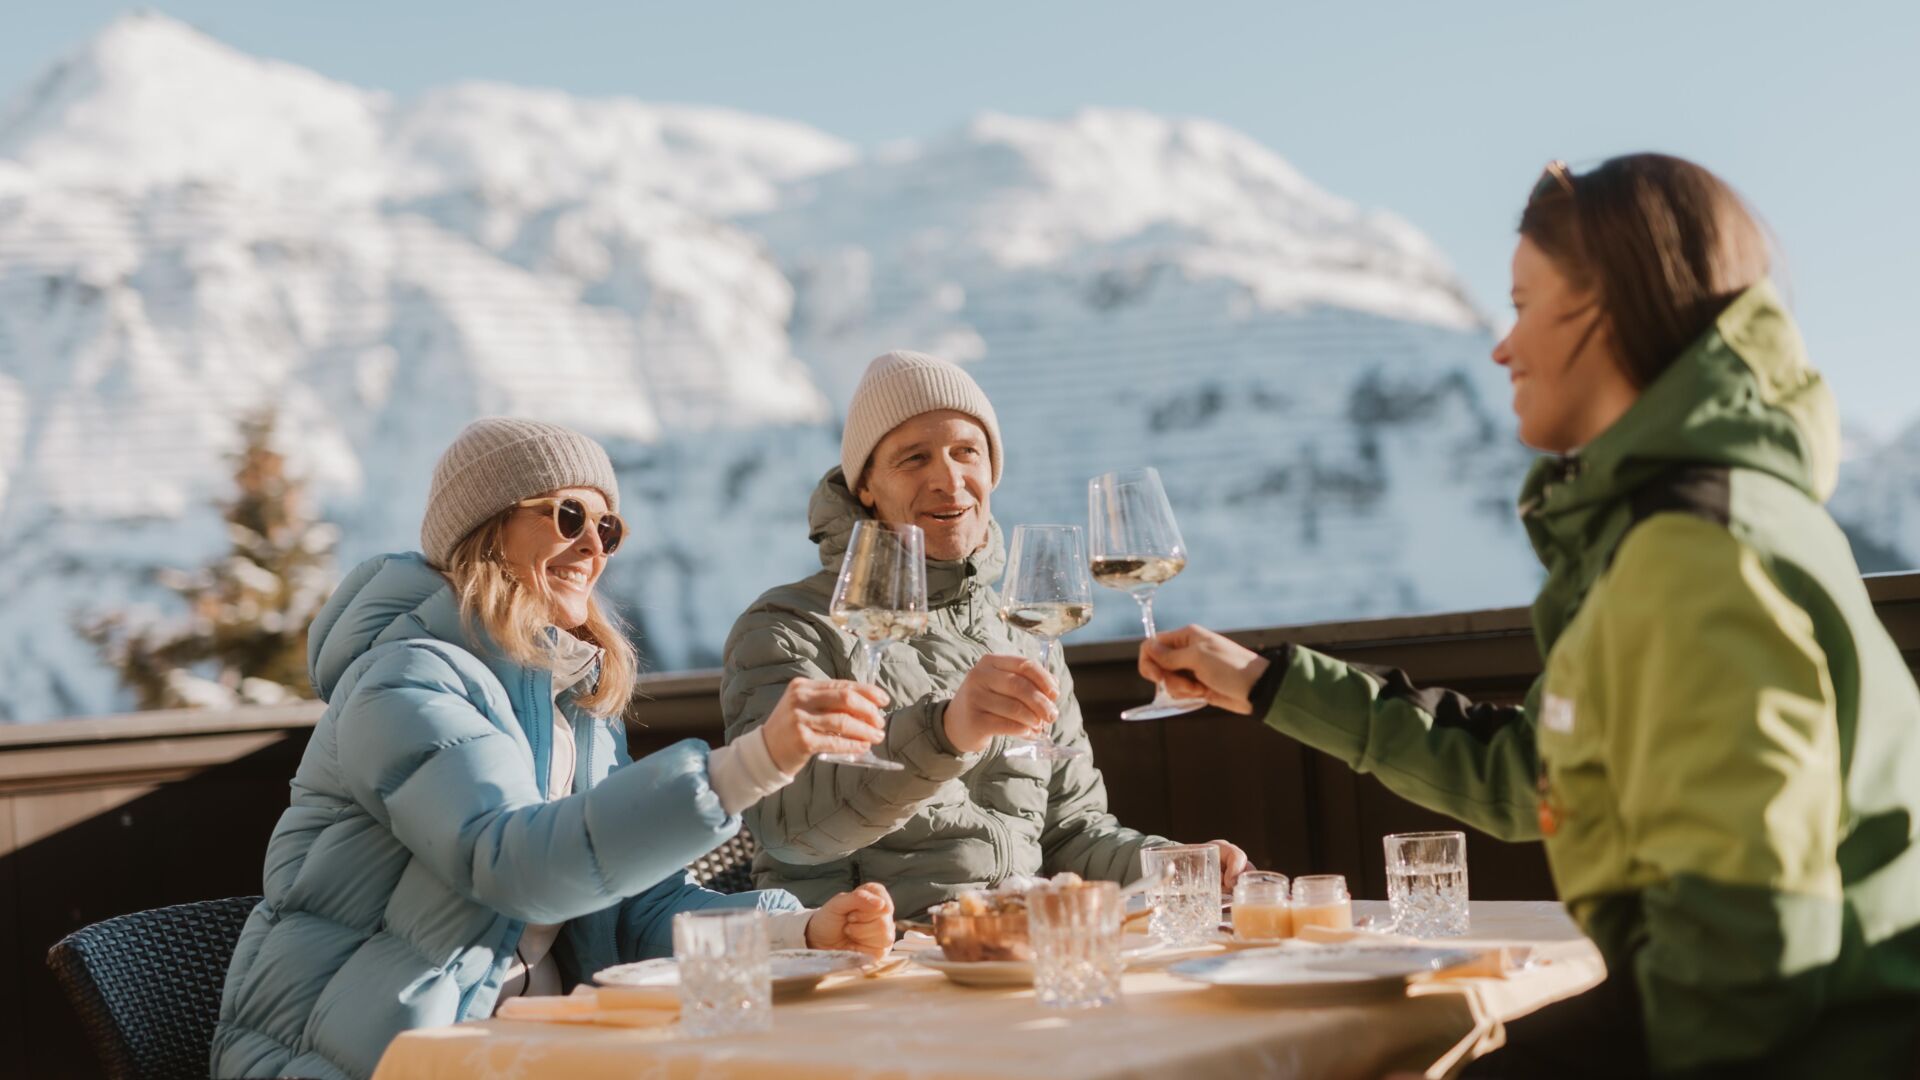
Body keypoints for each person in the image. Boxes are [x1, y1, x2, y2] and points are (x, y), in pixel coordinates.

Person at [1139, 154, 1920, 1078]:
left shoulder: (1695, 550)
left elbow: (1746, 946)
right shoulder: (1681, 523)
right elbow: (1531, 778)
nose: (1501, 347)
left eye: (1520, 304)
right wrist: (1271, 686)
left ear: (1611, 307)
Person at [212, 419, 897, 1080]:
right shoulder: (402, 679)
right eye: (569, 516)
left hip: (526, 1044)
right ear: (484, 528)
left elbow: (637, 917)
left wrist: (799, 935)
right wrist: (748, 765)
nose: (594, 546)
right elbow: (514, 866)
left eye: (608, 528)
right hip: (371, 1056)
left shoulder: (575, 703)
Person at [721, 350, 1247, 918]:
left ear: (991, 469)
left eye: (965, 452)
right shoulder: (789, 627)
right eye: (913, 458)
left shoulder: (1021, 631)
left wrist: (1176, 866)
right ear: (866, 487)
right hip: (868, 954)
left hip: (1004, 946)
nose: (948, 480)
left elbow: (1070, 834)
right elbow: (788, 827)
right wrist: (945, 732)